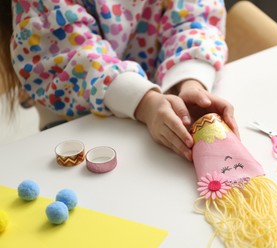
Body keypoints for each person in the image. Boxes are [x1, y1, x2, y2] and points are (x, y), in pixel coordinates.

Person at [1, 0, 239, 161]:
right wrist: (145, 103)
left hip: (163, 98)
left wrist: (189, 80)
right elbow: (68, 51)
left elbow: (196, 16)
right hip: (76, 115)